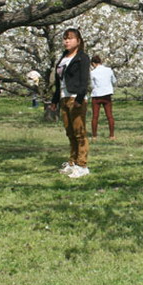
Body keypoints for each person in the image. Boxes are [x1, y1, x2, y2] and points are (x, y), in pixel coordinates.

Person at [50, 28, 91, 178]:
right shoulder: (63, 58)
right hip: (63, 97)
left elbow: (84, 80)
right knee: (70, 132)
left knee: (79, 132)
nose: (67, 41)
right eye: (65, 38)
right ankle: (72, 162)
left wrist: (79, 99)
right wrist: (55, 100)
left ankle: (82, 165)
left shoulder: (82, 58)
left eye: (70, 38)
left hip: (76, 98)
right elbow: (59, 82)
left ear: (78, 41)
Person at [89, 55, 117, 140]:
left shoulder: (92, 73)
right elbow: (114, 81)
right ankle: (112, 135)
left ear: (93, 63)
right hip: (107, 95)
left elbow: (92, 85)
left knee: (95, 116)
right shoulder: (109, 70)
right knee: (109, 116)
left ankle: (94, 136)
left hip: (96, 96)